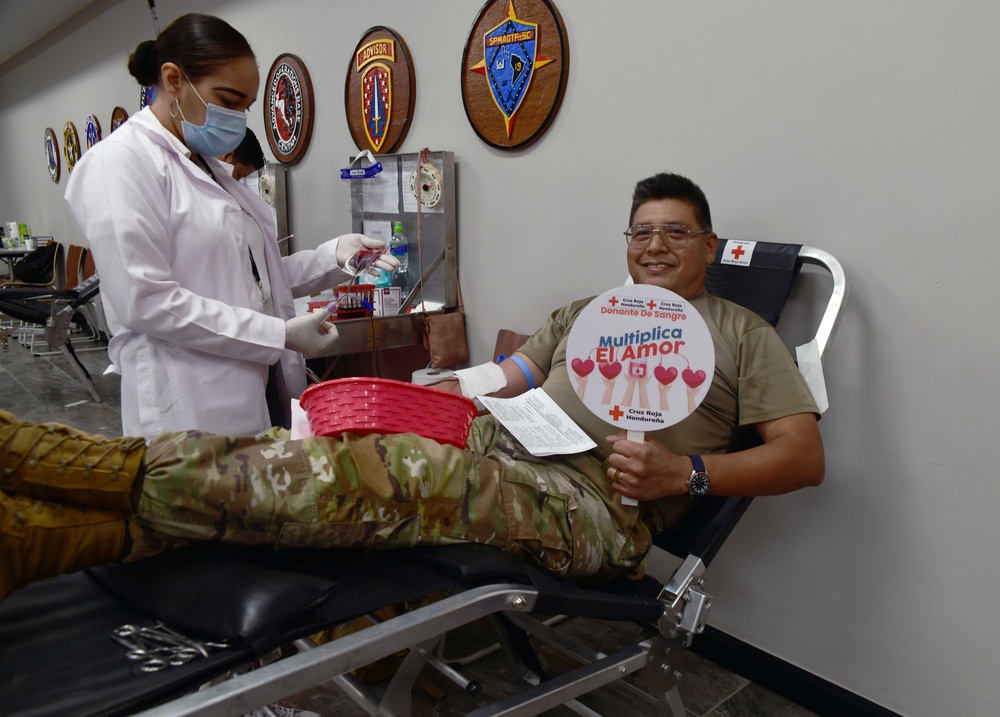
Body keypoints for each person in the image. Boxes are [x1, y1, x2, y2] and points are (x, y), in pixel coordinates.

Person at [1, 172, 823, 602]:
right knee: (336, 445)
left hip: (595, 505)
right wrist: (444, 384)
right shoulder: (591, 311)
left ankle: (68, 470)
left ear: (707, 245)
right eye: (641, 231)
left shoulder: (740, 335)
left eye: (674, 232)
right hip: (504, 435)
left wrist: (688, 475)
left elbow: (803, 454)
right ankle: (57, 532)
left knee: (402, 478)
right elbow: (513, 376)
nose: (652, 246)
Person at [64, 14, 396, 438]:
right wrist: (277, 334)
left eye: (246, 106)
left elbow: (251, 277)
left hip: (257, 388)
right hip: (189, 405)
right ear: (173, 79)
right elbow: (145, 301)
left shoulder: (207, 167)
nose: (239, 118)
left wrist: (333, 255)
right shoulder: (122, 162)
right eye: (229, 99)